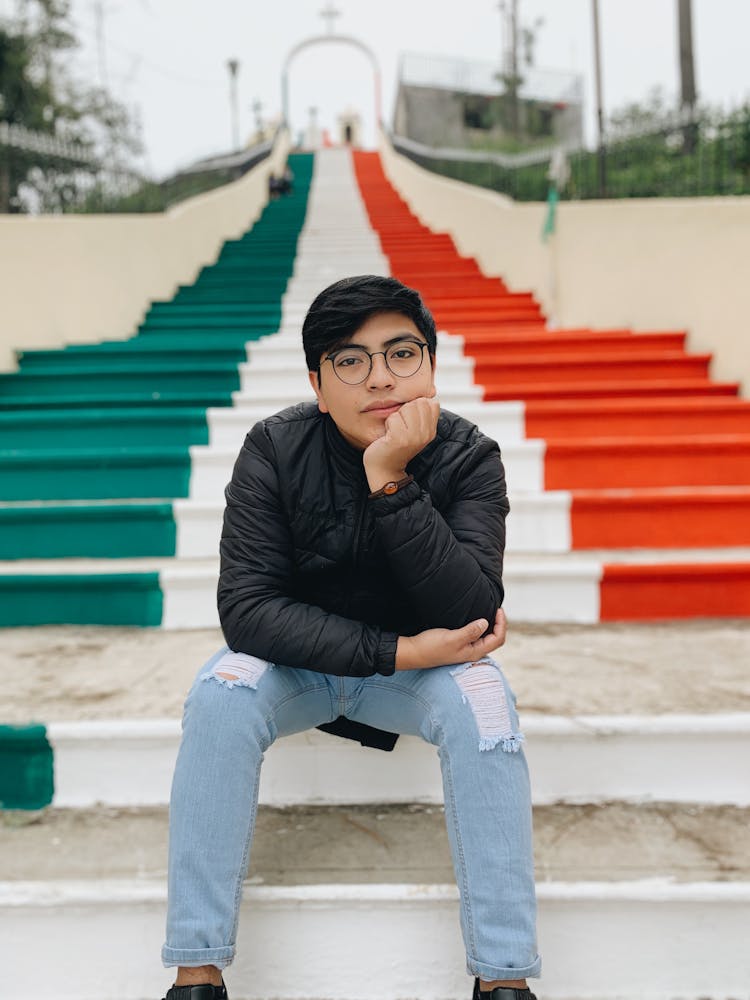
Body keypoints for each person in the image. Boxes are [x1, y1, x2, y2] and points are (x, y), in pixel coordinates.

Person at [161, 275, 541, 1000]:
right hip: (297, 665)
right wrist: (397, 650)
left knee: (487, 706)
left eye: (402, 354)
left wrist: (391, 480)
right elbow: (247, 610)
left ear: (431, 365)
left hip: (419, 677)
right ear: (317, 380)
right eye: (350, 360)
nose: (381, 380)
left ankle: (504, 979)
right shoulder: (273, 448)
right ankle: (196, 972)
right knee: (220, 695)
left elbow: (469, 611)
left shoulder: (468, 457)